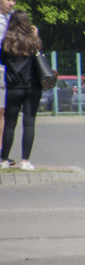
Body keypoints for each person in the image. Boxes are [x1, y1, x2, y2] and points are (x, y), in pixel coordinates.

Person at [1, 10, 43, 169]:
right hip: (33, 87)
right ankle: (25, 160)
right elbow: (39, 56)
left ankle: (4, 160)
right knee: (29, 123)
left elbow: (3, 61)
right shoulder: (34, 41)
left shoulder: (7, 42)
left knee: (10, 123)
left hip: (14, 87)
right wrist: (35, 34)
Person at [0, 0, 18, 149]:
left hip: (5, 69)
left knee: (2, 111)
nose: (11, 3)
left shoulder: (12, 18)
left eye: (13, 0)